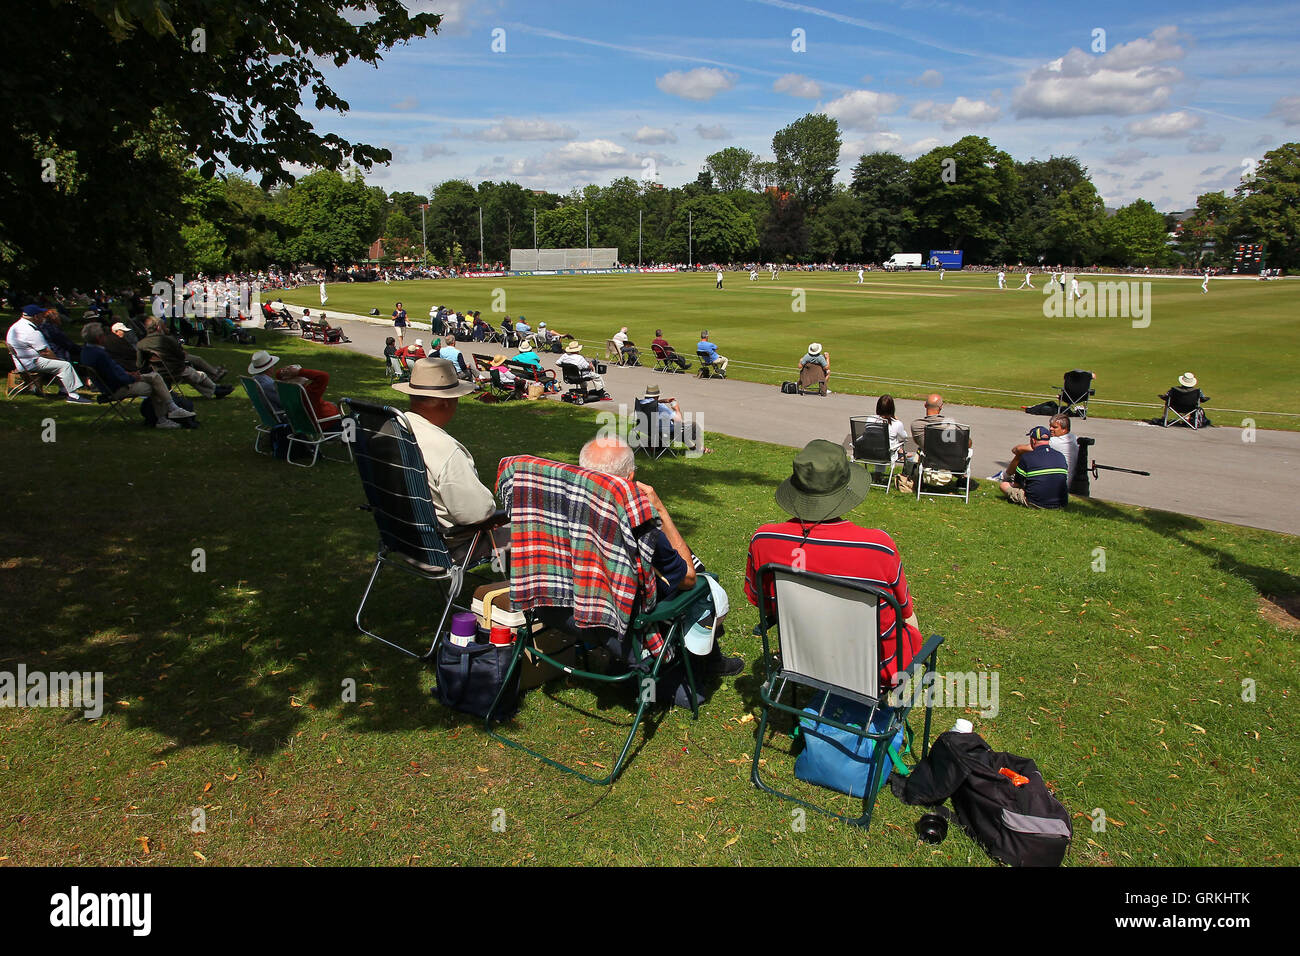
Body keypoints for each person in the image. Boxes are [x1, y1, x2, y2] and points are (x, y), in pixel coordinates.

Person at [745, 439, 923, 692]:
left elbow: (762, 602)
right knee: (910, 618)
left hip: (803, 659)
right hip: (875, 669)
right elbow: (903, 610)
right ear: (846, 490)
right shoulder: (877, 547)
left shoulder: (765, 540)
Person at [580, 436, 743, 701]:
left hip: (585, 608)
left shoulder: (564, 512)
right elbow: (688, 579)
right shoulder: (637, 527)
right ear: (631, 477)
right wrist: (660, 509)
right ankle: (706, 662)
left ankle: (705, 659)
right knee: (702, 581)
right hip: (633, 620)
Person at [391, 358, 506, 564]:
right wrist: (498, 516)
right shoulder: (443, 448)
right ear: (447, 401)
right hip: (447, 546)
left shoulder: (393, 430)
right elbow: (478, 514)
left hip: (403, 538)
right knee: (536, 534)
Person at [79, 322, 195, 427]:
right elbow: (114, 377)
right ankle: (166, 416)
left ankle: (169, 412)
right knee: (155, 386)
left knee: (155, 378)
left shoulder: (87, 351)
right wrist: (132, 377)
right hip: (117, 388)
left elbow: (112, 372)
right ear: (99, 338)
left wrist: (128, 373)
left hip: (111, 384)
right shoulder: (100, 355)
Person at [6, 305, 91, 401]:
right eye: (42, 316)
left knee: (60, 364)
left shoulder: (16, 327)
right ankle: (73, 395)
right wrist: (58, 360)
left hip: (22, 361)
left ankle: (63, 390)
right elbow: (45, 352)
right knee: (65, 365)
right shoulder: (31, 331)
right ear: (36, 317)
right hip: (32, 362)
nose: (43, 318)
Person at [134, 317, 233, 398]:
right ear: (159, 328)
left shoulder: (141, 344)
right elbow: (181, 356)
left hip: (157, 373)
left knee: (191, 374)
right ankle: (216, 388)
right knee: (196, 373)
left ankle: (215, 390)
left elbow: (139, 364)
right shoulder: (168, 340)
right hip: (175, 370)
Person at [999, 426, 1069, 509]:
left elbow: (1017, 484)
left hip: (1036, 502)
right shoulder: (1060, 456)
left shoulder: (1026, 457)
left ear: (1033, 440)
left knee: (1004, 485)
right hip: (1061, 503)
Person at [642, 384, 709, 452]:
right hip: (663, 432)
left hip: (647, 429)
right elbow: (679, 420)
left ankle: (694, 447)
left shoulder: (641, 403)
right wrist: (676, 408)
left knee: (681, 431)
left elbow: (652, 402)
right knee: (694, 425)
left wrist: (663, 401)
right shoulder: (660, 407)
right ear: (657, 396)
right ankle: (700, 448)